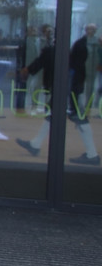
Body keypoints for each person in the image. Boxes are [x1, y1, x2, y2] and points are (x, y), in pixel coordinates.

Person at [17, 22, 100, 166]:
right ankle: (35, 144)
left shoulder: (81, 44)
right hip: (71, 85)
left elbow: (57, 58)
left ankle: (92, 154)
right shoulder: (81, 44)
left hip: (71, 86)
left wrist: (29, 70)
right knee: (55, 114)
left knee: (78, 117)